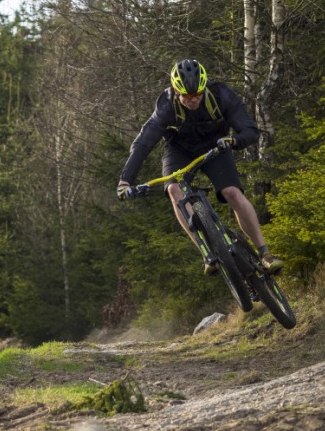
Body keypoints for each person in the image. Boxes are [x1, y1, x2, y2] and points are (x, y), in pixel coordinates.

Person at [116, 59, 283, 276]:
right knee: (173, 189)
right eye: (187, 96)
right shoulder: (166, 105)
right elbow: (144, 143)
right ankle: (206, 253)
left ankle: (264, 253)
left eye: (197, 94)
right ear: (177, 92)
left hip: (216, 146)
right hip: (180, 150)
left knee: (232, 192)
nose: (193, 100)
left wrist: (234, 141)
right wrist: (125, 180)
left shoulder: (220, 94)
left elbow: (250, 130)